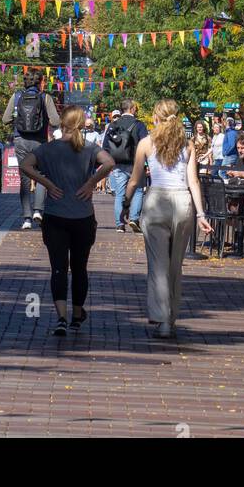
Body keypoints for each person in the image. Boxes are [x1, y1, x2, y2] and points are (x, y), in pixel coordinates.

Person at [18, 106, 114, 336]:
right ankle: (77, 315)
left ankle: (61, 316)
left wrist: (47, 183)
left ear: (62, 123)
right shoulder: (89, 147)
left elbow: (24, 165)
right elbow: (109, 162)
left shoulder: (48, 149)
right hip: (83, 216)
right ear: (81, 124)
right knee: (80, 269)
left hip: (55, 216)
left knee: (59, 269)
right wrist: (91, 183)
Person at [122, 100, 212, 338]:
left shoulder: (146, 144)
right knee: (175, 265)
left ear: (155, 118)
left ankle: (162, 318)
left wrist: (126, 203)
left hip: (156, 203)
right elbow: (194, 181)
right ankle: (170, 317)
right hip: (183, 203)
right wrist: (201, 213)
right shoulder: (188, 144)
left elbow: (135, 180)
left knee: (158, 265)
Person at [2, 79, 61, 230]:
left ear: (25, 82)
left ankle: (27, 217)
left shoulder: (16, 96)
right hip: (39, 141)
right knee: (41, 174)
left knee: (24, 177)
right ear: (40, 82)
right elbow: (55, 120)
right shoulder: (45, 97)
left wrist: (18, 118)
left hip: (20, 140)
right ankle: (38, 210)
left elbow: (5, 119)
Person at [102, 100, 149, 232]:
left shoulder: (113, 124)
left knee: (119, 194)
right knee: (139, 191)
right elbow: (145, 143)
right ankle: (134, 219)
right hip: (136, 163)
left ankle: (119, 224)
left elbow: (105, 146)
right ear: (133, 109)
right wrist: (147, 163)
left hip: (117, 164)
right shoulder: (139, 125)